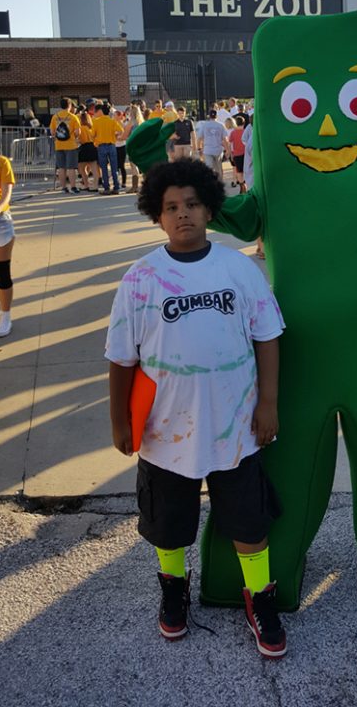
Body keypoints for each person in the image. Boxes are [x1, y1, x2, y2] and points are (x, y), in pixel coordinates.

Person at [106, 159, 286, 655]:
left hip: (237, 427)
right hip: (166, 434)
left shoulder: (237, 268)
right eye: (170, 207)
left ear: (209, 208)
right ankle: (173, 589)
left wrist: (268, 403)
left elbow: (268, 336)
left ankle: (260, 597)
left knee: (249, 523)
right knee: (169, 526)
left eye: (191, 204)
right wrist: (120, 418)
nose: (182, 214)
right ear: (156, 215)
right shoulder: (140, 279)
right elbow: (121, 358)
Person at [0, 153, 16, 337]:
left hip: (0, 222)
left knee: (2, 272)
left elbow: (6, 196)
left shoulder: (2, 163)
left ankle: (6, 316)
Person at [50, 97, 81, 194]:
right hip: (71, 145)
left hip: (59, 145)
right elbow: (77, 132)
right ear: (70, 105)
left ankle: (63, 187)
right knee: (71, 168)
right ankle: (73, 187)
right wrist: (74, 136)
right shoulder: (73, 117)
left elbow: (52, 132)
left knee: (61, 168)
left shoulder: (55, 117)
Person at [92, 103, 123, 195]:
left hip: (101, 146)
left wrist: (96, 141)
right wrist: (115, 136)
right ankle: (116, 187)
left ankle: (106, 188)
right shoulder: (112, 121)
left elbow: (92, 134)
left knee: (104, 168)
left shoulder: (96, 121)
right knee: (114, 167)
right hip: (112, 145)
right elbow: (121, 130)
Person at [201, 110, 230, 181]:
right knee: (219, 169)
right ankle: (220, 183)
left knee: (208, 168)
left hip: (207, 150)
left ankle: (209, 183)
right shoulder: (221, 125)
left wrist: (200, 148)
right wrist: (227, 150)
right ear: (217, 116)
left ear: (209, 116)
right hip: (218, 150)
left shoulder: (204, 125)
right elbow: (225, 139)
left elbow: (200, 138)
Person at [77, 109, 98, 191]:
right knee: (94, 169)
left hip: (84, 147)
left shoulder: (81, 128)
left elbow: (79, 139)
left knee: (82, 168)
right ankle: (95, 186)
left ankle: (86, 184)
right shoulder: (91, 128)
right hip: (92, 147)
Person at [228, 113, 246, 191]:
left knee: (239, 171)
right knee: (246, 170)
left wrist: (230, 154)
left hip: (236, 154)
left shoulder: (233, 132)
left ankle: (242, 185)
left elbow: (230, 144)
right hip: (246, 154)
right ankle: (246, 184)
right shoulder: (246, 131)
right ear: (244, 123)